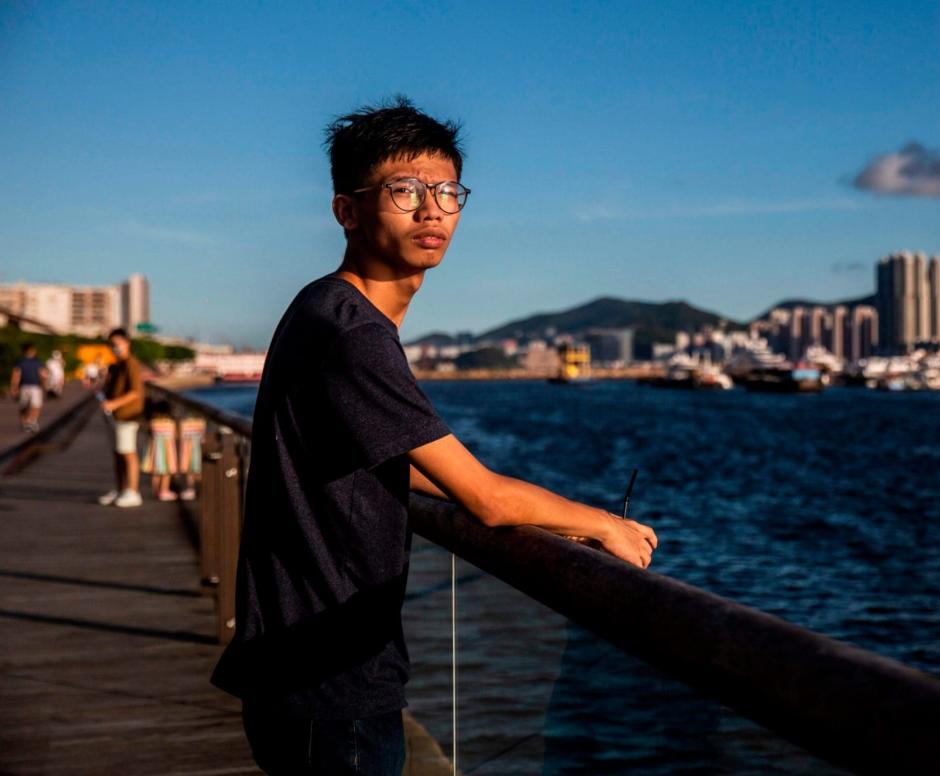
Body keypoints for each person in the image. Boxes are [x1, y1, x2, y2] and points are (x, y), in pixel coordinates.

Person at [211, 97, 658, 775]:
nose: (432, 210)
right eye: (405, 191)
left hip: (296, 667)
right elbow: (486, 501)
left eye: (447, 191)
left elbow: (391, 463)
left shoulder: (323, 309)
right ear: (347, 210)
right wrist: (602, 525)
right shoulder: (353, 333)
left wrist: (558, 524)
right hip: (328, 683)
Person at [97, 328, 145, 508]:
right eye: (112, 345)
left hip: (128, 415)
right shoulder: (116, 365)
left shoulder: (131, 363)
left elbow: (136, 392)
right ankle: (120, 490)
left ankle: (132, 491)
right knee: (118, 453)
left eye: (117, 344)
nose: (114, 348)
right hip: (115, 417)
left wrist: (113, 404)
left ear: (127, 343)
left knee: (128, 452)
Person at [141, 399, 179, 501]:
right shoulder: (171, 423)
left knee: (155, 473)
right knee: (166, 473)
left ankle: (156, 491)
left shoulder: (153, 423)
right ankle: (164, 491)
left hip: (155, 451)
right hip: (168, 451)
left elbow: (149, 434)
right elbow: (175, 436)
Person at [10, 342, 47, 433]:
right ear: (27, 350)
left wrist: (44, 384)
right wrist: (14, 386)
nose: (33, 351)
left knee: (36, 405)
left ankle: (32, 422)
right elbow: (16, 374)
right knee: (24, 406)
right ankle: (24, 423)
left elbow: (42, 374)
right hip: (24, 386)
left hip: (35, 386)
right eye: (31, 349)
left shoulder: (38, 361)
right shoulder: (20, 361)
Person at [177, 412, 205, 500]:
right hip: (198, 449)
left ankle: (191, 489)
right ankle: (202, 489)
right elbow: (203, 438)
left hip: (187, 450)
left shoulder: (184, 423)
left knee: (190, 471)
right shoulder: (201, 422)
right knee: (199, 471)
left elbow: (181, 438)